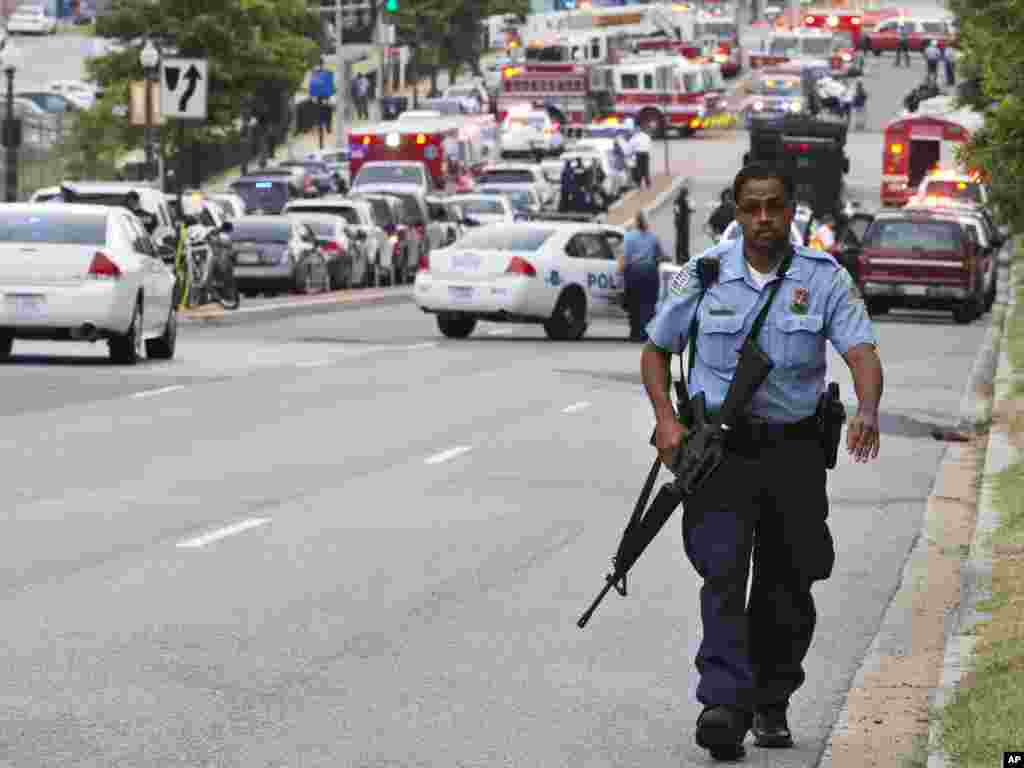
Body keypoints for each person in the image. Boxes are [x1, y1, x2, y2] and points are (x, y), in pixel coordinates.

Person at [642, 162, 883, 760]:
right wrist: (666, 421)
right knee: (723, 573)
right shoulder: (704, 275)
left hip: (794, 452)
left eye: (774, 207)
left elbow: (860, 350)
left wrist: (868, 407)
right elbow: (655, 351)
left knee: (789, 581)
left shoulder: (823, 278)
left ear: (792, 209)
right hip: (721, 455)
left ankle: (771, 699)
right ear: (736, 209)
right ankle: (723, 704)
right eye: (752, 208)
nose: (764, 220)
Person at [622, 209, 665, 341]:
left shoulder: (629, 237)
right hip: (649, 272)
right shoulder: (653, 237)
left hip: (633, 273)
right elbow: (660, 255)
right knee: (648, 303)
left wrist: (622, 273)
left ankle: (634, 332)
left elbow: (625, 257)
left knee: (633, 303)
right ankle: (645, 332)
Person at [673, 186, 695, 264]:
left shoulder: (677, 200)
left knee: (680, 240)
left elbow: (676, 211)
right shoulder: (685, 200)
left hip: (679, 223)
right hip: (683, 223)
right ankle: (685, 256)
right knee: (684, 240)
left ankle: (679, 257)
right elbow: (692, 209)